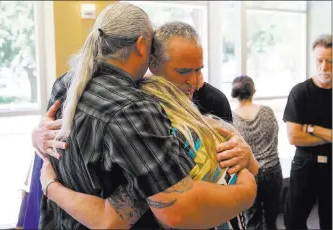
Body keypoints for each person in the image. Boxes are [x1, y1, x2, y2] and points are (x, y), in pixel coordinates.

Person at [35, 4, 257, 229]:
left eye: (198, 69)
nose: (193, 80)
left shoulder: (67, 82)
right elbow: (175, 209)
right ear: (144, 50)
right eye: (182, 71)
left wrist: (244, 154)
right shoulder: (134, 109)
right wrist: (246, 192)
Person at [283, 34, 332, 230]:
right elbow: (294, 136)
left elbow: (302, 132)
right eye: (319, 61)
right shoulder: (300, 92)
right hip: (304, 166)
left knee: (330, 219)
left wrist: (312, 129)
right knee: (294, 219)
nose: (324, 67)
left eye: (330, 62)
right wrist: (329, 135)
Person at [231, 75, 283, 229]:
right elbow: (275, 137)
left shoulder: (232, 118)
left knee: (252, 220)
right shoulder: (267, 111)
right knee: (272, 219)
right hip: (272, 170)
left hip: (248, 175)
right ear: (253, 91)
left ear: (233, 93)